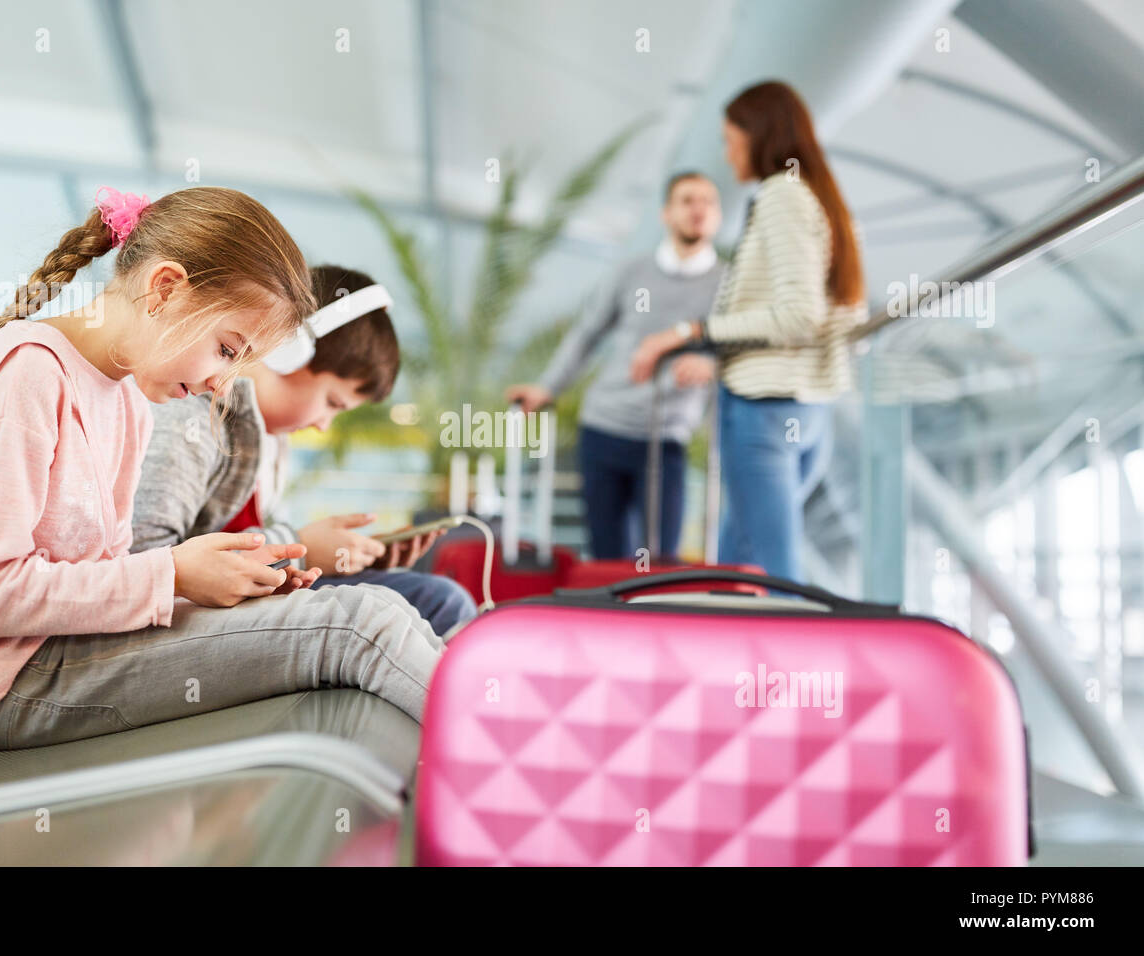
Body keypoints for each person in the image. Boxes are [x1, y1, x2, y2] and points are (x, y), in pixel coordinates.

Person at [0, 186, 449, 749]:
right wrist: (172, 576)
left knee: (385, 611)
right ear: (164, 288)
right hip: (10, 686)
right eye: (227, 348)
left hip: (63, 651)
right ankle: (500, 772)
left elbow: (102, 583)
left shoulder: (126, 402)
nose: (225, 382)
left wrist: (227, 585)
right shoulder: (24, 379)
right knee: (359, 627)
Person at [131, 263, 477, 637]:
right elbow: (150, 567)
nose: (324, 424)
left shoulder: (268, 441)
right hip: (188, 618)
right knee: (439, 602)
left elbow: (263, 547)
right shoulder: (190, 419)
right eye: (332, 401)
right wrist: (304, 547)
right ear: (288, 350)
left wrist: (344, 557)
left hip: (242, 599)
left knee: (436, 599)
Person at [630, 81, 867, 582]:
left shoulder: (782, 194)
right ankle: (741, 661)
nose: (727, 150)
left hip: (762, 412)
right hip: (806, 411)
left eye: (729, 137)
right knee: (735, 567)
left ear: (756, 134)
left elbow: (797, 315)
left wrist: (691, 331)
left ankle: (796, 664)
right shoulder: (820, 198)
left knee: (774, 578)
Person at [506, 172, 724, 561]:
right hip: (604, 427)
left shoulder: (727, 284)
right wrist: (548, 387)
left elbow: (738, 343)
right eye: (688, 200)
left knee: (660, 561)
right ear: (666, 213)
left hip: (666, 437)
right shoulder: (631, 272)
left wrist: (709, 360)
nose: (699, 210)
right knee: (606, 560)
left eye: (708, 202)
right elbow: (586, 335)